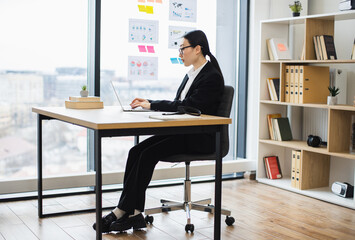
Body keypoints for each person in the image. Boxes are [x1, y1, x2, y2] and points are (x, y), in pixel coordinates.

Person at [93, 30, 225, 233]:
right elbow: (179, 104)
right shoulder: (191, 74)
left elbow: (188, 106)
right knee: (136, 151)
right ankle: (132, 213)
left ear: (197, 49)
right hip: (183, 133)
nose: (180, 53)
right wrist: (151, 103)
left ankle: (125, 212)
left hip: (201, 137)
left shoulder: (212, 77)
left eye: (183, 48)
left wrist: (151, 105)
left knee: (147, 154)